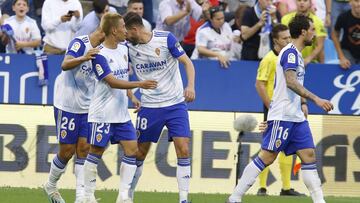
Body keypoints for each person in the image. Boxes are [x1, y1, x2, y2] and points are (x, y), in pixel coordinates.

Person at [227, 14, 334, 203]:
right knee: (267, 157)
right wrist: (316, 99)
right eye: (312, 30)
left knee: (309, 156)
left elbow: (295, 85)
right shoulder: (290, 53)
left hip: (296, 117)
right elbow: (291, 82)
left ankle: (320, 201)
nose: (314, 34)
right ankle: (234, 198)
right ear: (303, 32)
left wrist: (302, 103)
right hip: (283, 115)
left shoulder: (297, 54)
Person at [80, 13, 157, 203]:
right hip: (102, 114)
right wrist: (139, 85)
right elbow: (112, 82)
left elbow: (123, 77)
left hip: (121, 114)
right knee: (96, 152)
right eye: (123, 26)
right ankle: (87, 196)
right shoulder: (99, 55)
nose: (126, 30)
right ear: (114, 30)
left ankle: (123, 196)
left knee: (132, 150)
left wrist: (131, 96)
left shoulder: (124, 49)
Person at [124, 11, 196, 203]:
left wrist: (190, 86)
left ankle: (183, 199)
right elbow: (121, 74)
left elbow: (187, 62)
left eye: (127, 33)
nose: (125, 37)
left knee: (183, 148)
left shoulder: (166, 39)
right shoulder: (127, 47)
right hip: (149, 106)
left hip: (175, 105)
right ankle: (128, 195)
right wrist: (132, 96)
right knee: (139, 153)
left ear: (135, 29)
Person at [43, 28, 105, 203]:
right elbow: (65, 64)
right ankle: (50, 184)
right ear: (105, 31)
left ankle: (81, 198)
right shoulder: (80, 43)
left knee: (84, 149)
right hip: (67, 104)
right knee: (67, 151)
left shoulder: (108, 48)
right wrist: (85, 57)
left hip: (88, 106)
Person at [255, 23, 304, 196]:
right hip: (274, 108)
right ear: (275, 41)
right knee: (268, 148)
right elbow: (259, 84)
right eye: (284, 38)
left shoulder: (292, 55)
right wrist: (270, 106)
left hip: (288, 109)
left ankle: (286, 187)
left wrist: (302, 103)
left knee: (287, 147)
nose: (288, 41)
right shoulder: (269, 59)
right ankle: (262, 187)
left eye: (289, 37)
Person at [281, 0, 327, 65]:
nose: (301, 2)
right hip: (290, 59)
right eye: (299, 0)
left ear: (310, 3)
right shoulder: (285, 19)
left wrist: (308, 59)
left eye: (305, 0)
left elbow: (320, 45)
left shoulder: (317, 21)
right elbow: (282, 39)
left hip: (311, 63)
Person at [331, 0, 360, 69]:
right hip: (347, 51)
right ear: (350, 2)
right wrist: (341, 57)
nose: (359, 4)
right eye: (356, 1)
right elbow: (334, 35)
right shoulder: (343, 17)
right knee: (346, 65)